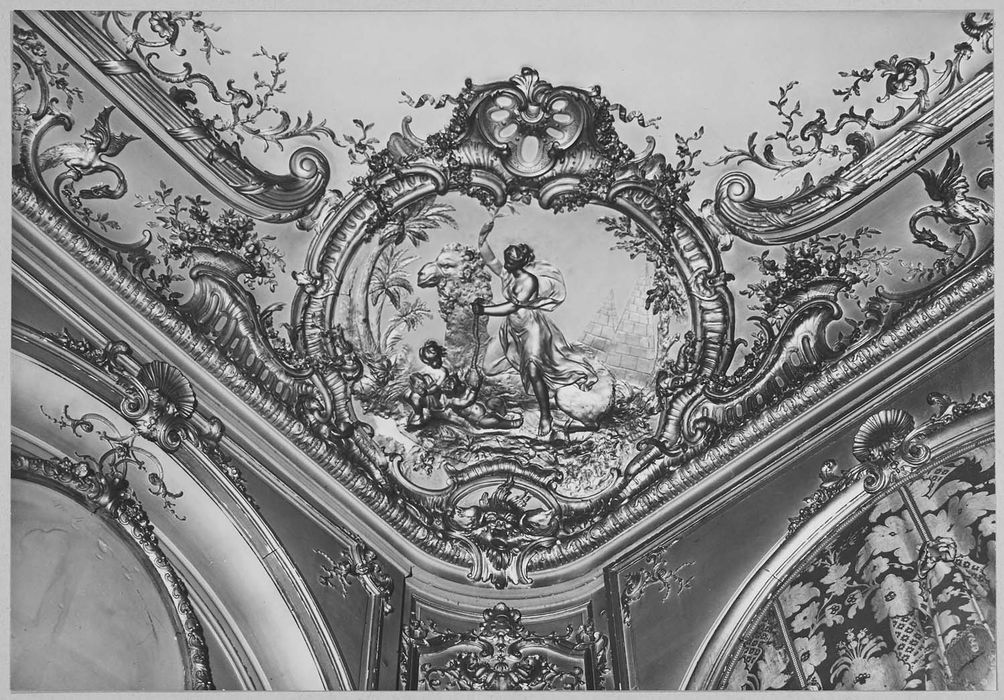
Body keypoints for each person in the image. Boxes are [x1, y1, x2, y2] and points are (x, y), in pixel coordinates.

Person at [472, 218, 597, 438]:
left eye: (510, 260)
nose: (506, 263)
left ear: (519, 262)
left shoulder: (529, 281)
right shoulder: (507, 275)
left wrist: (484, 310)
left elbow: (513, 306)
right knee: (488, 366)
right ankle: (541, 390)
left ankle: (545, 416)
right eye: (506, 258)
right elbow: (489, 258)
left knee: (533, 370)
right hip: (511, 328)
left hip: (532, 329)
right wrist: (482, 237)